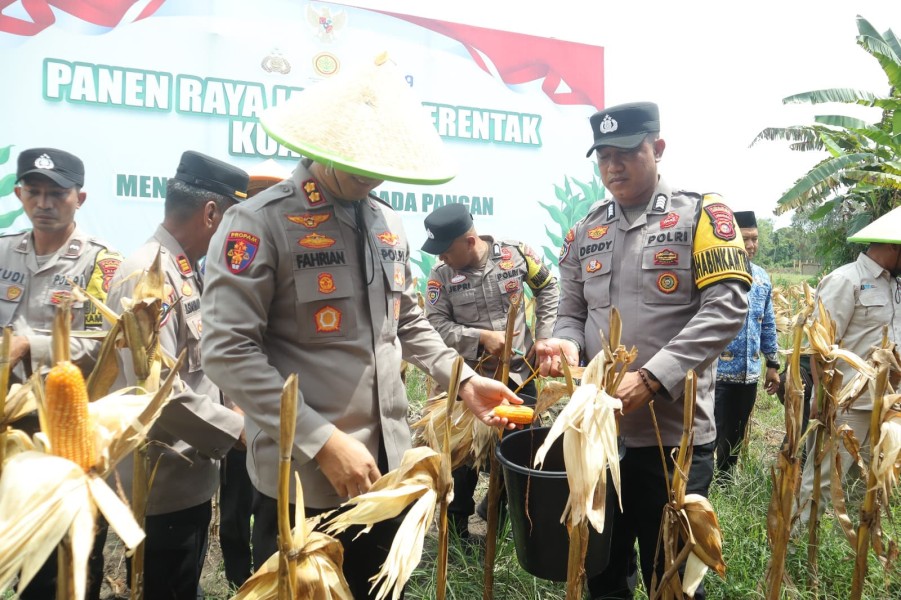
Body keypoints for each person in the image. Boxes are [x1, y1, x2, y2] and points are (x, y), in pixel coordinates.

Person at [200, 55, 523, 600]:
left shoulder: (384, 220)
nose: (373, 173)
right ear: (324, 142)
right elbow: (227, 350)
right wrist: (322, 440)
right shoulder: (258, 223)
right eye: (360, 160)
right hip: (300, 480)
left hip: (386, 474)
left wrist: (463, 379)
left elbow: (409, 320)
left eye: (384, 161)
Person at [536, 102, 752, 600]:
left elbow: (725, 309)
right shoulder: (586, 230)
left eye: (627, 153)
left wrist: (653, 378)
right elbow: (570, 310)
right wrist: (566, 345)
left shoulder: (700, 213)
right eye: (604, 156)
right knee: (603, 570)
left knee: (671, 573)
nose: (613, 166)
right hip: (598, 436)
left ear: (657, 148)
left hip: (672, 439)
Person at [107, 151, 248, 599]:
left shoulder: (182, 269)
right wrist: (239, 430)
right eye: (234, 219)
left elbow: (195, 365)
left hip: (188, 475)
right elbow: (157, 394)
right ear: (211, 214)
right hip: (160, 486)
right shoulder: (147, 276)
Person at [1, 147, 121, 600]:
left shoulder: (99, 263)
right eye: (34, 192)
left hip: (64, 435)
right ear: (19, 193)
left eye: (57, 194)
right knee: (19, 554)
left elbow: (101, 348)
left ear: (80, 198)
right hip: (9, 436)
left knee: (65, 564)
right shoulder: (2, 251)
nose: (44, 203)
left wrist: (30, 344)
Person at [420, 202, 558, 537]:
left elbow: (549, 288)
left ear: (469, 241)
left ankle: (499, 523)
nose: (440, 258)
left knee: (520, 455)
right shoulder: (441, 277)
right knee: (462, 464)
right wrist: (480, 337)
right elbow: (433, 325)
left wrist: (543, 338)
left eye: (445, 250)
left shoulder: (516, 255)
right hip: (469, 382)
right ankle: (457, 534)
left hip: (518, 378)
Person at [796, 206, 901, 528]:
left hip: (884, 405)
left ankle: (853, 554)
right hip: (847, 405)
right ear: (894, 246)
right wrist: (822, 398)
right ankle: (801, 552)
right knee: (823, 482)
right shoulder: (845, 280)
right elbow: (821, 346)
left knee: (868, 485)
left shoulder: (894, 286)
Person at [217, 158, 292, 590]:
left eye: (272, 190)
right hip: (236, 407)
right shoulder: (230, 253)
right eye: (256, 191)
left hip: (277, 409)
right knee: (234, 505)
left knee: (269, 506)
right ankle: (235, 581)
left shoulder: (294, 256)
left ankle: (265, 581)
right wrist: (235, 408)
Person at [713, 210, 780, 478]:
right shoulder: (715, 274)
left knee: (737, 430)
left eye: (755, 239)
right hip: (715, 371)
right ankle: (702, 482)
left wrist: (773, 363)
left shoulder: (762, 278)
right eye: (745, 239)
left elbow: (768, 324)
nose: (751, 245)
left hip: (748, 373)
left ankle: (725, 479)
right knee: (711, 429)